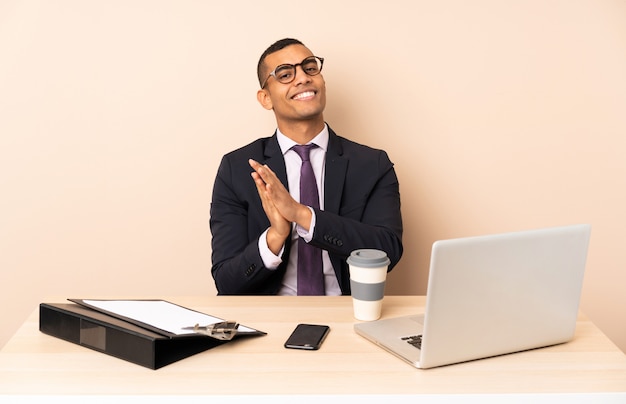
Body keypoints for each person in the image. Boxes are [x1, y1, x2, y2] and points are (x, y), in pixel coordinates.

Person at [210, 38, 403, 295]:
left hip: (347, 313)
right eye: (285, 74)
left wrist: (302, 215)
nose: (302, 78)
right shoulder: (236, 168)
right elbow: (227, 282)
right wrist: (276, 235)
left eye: (310, 68)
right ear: (266, 98)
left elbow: (388, 250)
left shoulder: (372, 164)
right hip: (271, 319)